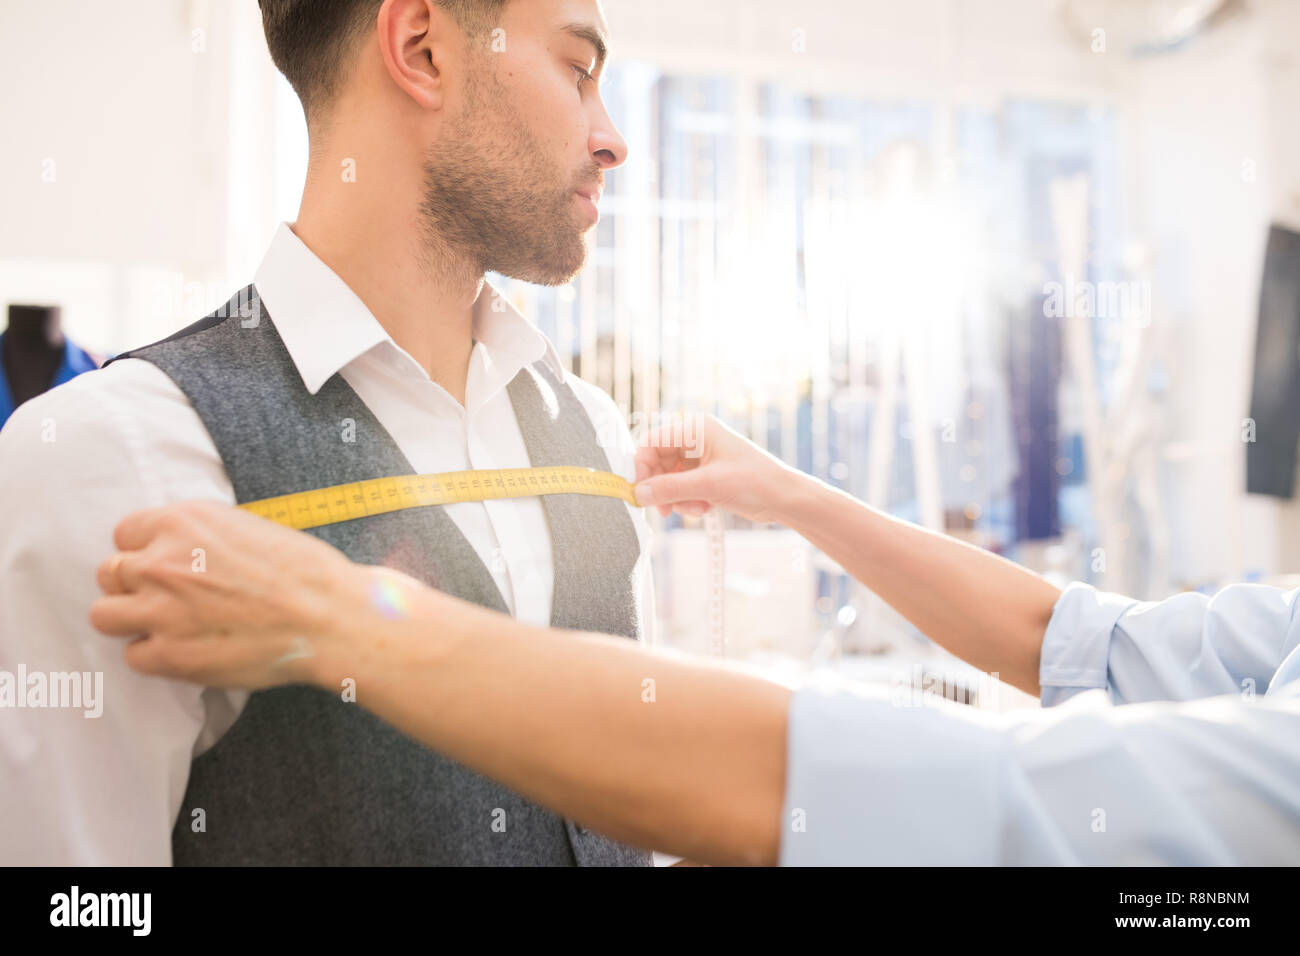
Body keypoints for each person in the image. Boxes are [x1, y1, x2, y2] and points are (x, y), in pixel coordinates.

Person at [0, 0, 668, 866]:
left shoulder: (596, 438)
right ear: (422, 47)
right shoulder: (112, 461)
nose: (612, 138)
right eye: (578, 70)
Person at [91, 412, 1300, 865]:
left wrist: (344, 616)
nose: (611, 137)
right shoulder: (121, 445)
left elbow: (983, 802)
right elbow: (1077, 639)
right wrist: (793, 495)